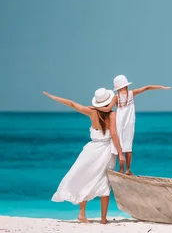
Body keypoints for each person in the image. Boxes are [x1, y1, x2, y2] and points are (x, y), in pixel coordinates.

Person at [42, 89, 125, 224]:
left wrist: (54, 97)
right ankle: (103, 219)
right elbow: (114, 135)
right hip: (105, 151)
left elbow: (72, 104)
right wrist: (121, 153)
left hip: (91, 149)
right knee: (105, 182)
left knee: (86, 178)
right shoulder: (112, 115)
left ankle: (82, 214)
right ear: (109, 101)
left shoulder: (92, 112)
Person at [97, 74, 171, 175]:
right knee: (128, 145)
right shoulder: (132, 93)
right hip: (129, 122)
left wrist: (96, 108)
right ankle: (127, 169)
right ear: (126, 84)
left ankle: (121, 169)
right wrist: (161, 87)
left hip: (119, 122)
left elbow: (107, 109)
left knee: (120, 145)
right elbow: (146, 87)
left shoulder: (116, 97)